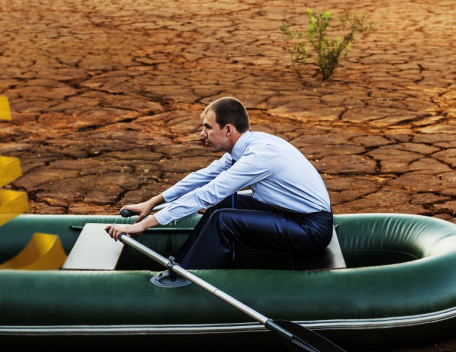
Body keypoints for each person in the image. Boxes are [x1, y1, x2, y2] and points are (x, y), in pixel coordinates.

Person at [105, 97, 332, 287]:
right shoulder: (246, 146)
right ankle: (185, 262)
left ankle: (185, 277)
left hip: (310, 229)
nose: (202, 133)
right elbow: (202, 177)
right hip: (291, 214)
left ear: (228, 130)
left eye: (207, 127)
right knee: (222, 205)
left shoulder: (257, 157)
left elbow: (207, 194)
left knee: (223, 218)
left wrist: (142, 225)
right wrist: (152, 202)